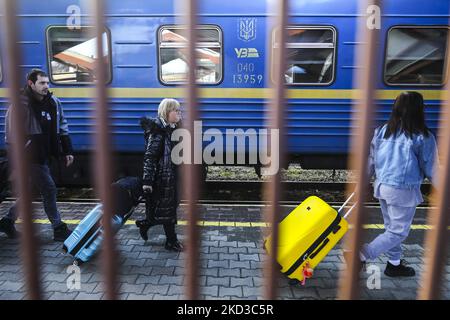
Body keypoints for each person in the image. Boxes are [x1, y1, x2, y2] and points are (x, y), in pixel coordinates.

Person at [346, 91, 439, 277]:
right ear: (419, 110)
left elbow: (370, 161)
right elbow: (432, 169)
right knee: (398, 232)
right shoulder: (423, 136)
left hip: (382, 188)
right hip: (403, 191)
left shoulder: (382, 131)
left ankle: (394, 264)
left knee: (391, 229)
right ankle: (361, 254)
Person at [0, 69, 74, 242]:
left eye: (47, 83)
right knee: (49, 189)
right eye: (42, 83)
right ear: (31, 84)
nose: (46, 86)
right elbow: (11, 136)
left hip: (45, 154)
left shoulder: (53, 102)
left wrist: (67, 150)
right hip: (29, 157)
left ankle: (7, 221)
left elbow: (62, 125)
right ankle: (58, 228)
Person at [135, 98, 183, 252]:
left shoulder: (171, 128)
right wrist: (147, 180)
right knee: (168, 210)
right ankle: (171, 241)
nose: (179, 113)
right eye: (177, 111)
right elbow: (150, 157)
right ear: (168, 112)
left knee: (168, 208)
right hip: (162, 178)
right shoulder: (157, 131)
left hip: (171, 175)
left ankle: (146, 223)